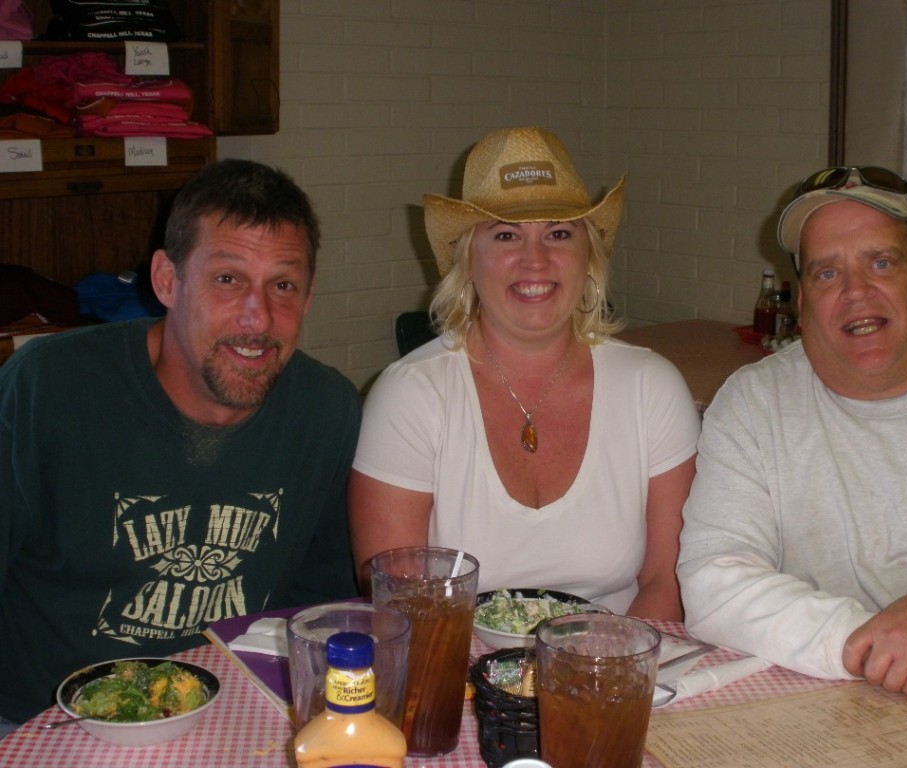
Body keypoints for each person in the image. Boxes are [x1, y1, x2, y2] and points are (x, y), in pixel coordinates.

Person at [0, 159, 362, 732]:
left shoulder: (327, 409)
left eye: (283, 285)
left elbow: (321, 606)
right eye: (228, 279)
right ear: (167, 280)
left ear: (309, 296)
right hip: (44, 724)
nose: (258, 317)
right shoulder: (47, 386)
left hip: (236, 715)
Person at [677, 166, 907, 730]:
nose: (855, 292)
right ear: (802, 301)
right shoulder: (754, 403)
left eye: (881, 263)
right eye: (827, 272)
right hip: (828, 720)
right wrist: (894, 653)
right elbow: (714, 584)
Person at [348, 126, 700, 620]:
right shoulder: (411, 395)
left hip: (613, 656)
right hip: (455, 659)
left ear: (589, 256)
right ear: (468, 259)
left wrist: (604, 661)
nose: (535, 260)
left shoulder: (651, 388)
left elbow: (669, 581)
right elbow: (398, 601)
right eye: (506, 235)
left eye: (559, 234)